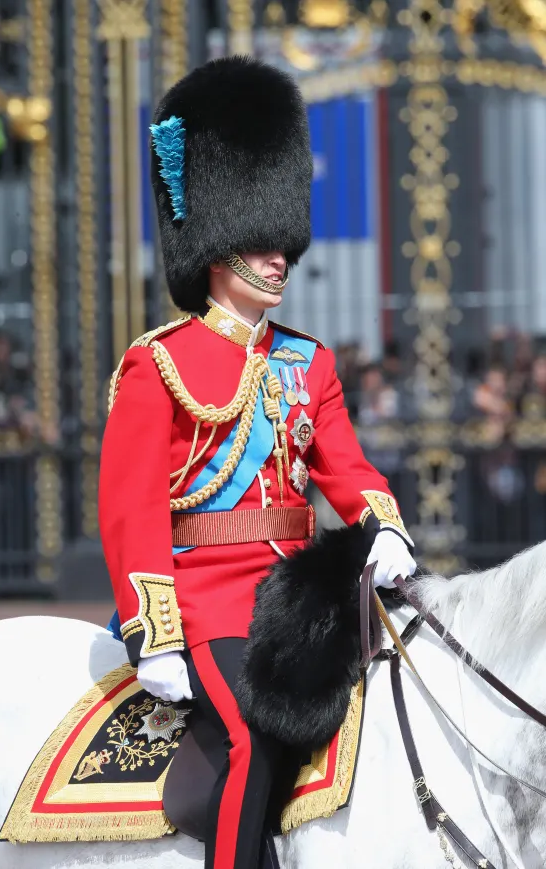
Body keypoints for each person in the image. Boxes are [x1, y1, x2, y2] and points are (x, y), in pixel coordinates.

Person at [99, 56, 416, 869]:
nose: (281, 258)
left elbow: (346, 468)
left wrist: (383, 526)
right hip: (205, 602)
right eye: (261, 241)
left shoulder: (308, 364)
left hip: (297, 597)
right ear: (217, 246)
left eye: (285, 243)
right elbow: (131, 508)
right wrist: (154, 631)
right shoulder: (157, 363)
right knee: (255, 739)